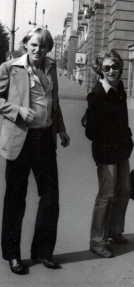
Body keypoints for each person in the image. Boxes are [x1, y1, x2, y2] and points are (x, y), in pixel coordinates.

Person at [0, 27, 70, 275]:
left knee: (50, 197)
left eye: (43, 45)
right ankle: (13, 255)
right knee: (15, 200)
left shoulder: (51, 68)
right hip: (21, 139)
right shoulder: (10, 68)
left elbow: (54, 102)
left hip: (45, 140)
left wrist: (60, 129)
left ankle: (42, 252)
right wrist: (17, 111)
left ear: (48, 47)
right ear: (25, 44)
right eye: (33, 44)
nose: (38, 50)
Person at [85, 49, 134, 258]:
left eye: (115, 66)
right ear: (100, 70)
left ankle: (115, 231)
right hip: (106, 152)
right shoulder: (97, 95)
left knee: (124, 190)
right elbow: (91, 132)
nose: (111, 71)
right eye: (106, 67)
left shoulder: (119, 88)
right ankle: (97, 241)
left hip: (122, 149)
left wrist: (127, 137)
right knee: (106, 195)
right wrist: (110, 137)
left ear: (120, 66)